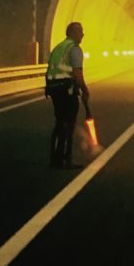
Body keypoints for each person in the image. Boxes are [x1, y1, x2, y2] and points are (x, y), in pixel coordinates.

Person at [45, 21, 90, 169]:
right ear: (73, 33)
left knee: (59, 122)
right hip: (66, 89)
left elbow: (52, 68)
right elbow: (77, 73)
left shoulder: (59, 47)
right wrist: (84, 89)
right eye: (80, 31)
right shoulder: (75, 49)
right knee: (69, 124)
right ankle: (66, 159)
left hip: (53, 88)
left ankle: (54, 157)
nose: (83, 34)